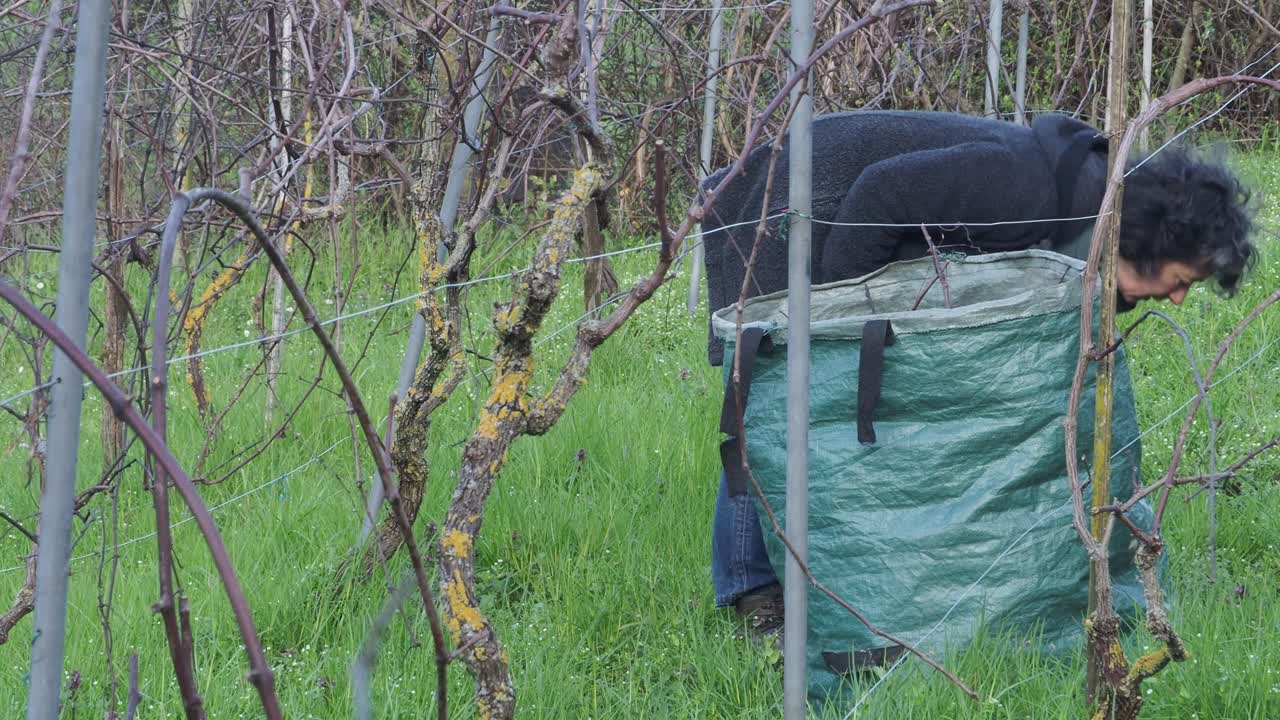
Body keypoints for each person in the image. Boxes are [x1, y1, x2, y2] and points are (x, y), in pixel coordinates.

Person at [700, 110, 1257, 640]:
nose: (1180, 299)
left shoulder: (1091, 209)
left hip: (839, 207)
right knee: (773, 396)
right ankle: (755, 591)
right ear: (1153, 242)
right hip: (792, 209)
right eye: (1182, 279)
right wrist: (842, 328)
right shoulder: (1029, 189)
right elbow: (882, 193)